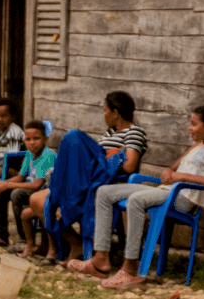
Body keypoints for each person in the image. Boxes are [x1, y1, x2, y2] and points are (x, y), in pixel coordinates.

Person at [71, 104, 204, 290]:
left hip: (185, 199)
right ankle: (100, 259)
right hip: (167, 191)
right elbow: (173, 168)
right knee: (105, 192)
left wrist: (182, 177)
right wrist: (169, 172)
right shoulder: (195, 147)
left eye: (194, 124)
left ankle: (130, 268)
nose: (190, 128)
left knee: (137, 200)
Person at [30, 92, 148, 264]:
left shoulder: (134, 132)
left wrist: (107, 158)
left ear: (115, 113)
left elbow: (129, 166)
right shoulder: (110, 133)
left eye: (105, 111)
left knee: (74, 137)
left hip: (107, 181)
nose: (104, 115)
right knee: (36, 200)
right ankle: (75, 243)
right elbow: (96, 157)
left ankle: (65, 203)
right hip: (87, 179)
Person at [0, 119, 55, 251]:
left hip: (44, 193)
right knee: (1, 191)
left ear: (45, 139)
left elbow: (37, 185)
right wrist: (2, 183)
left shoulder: (48, 155)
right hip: (31, 190)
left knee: (17, 193)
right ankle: (0, 235)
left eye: (36, 138)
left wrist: (8, 185)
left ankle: (24, 240)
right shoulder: (29, 154)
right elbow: (21, 177)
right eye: (28, 139)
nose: (32, 142)